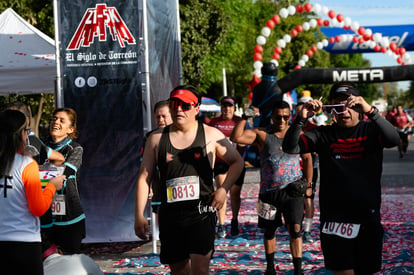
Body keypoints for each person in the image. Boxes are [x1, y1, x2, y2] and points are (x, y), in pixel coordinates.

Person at [282, 83, 400, 274]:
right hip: (335, 220)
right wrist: (300, 119)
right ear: (330, 110)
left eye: (350, 105)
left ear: (359, 107)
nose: (344, 111)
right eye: (337, 107)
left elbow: (394, 140)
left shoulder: (371, 131)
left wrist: (372, 111)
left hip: (367, 218)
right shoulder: (323, 134)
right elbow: (290, 147)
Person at [134, 85, 244, 275]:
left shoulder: (211, 134)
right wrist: (138, 215)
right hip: (170, 215)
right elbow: (144, 177)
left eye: (185, 105)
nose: (178, 109)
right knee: (179, 271)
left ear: (196, 108)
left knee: (200, 270)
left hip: (201, 212)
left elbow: (237, 162)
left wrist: (223, 189)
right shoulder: (156, 139)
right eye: (174, 104)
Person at [231, 101, 309, 275]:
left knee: (295, 228)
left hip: (293, 191)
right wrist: (245, 117)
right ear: (271, 116)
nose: (282, 120)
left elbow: (308, 158)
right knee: (269, 229)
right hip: (268, 192)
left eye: (286, 117)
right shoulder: (262, 134)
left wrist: (308, 185)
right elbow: (236, 138)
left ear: (290, 117)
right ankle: (270, 268)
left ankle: (298, 269)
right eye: (278, 116)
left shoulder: (297, 133)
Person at [0, 110, 64, 275]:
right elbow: (38, 208)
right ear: (22, 134)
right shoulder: (26, 164)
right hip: (25, 243)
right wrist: (51, 186)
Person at [40, 108, 85, 255]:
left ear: (70, 129)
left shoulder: (75, 148)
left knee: (70, 262)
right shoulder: (40, 147)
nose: (56, 122)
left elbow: (65, 173)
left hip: (70, 216)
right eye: (54, 118)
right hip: (45, 214)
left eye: (61, 120)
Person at [208, 96, 247, 237]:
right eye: (224, 106)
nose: (227, 109)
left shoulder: (239, 121)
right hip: (220, 163)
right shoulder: (214, 122)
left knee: (235, 194)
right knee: (221, 190)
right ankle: (222, 224)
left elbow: (246, 139)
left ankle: (235, 220)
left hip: (237, 163)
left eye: (230, 106)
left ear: (234, 108)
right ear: (221, 108)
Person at [4, 101, 65, 165]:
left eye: (14, 118)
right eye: (5, 118)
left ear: (26, 121)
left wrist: (46, 173)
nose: (8, 122)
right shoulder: (5, 140)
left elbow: (59, 158)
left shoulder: (31, 142)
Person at [251, 62, 283, 127]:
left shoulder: (257, 87)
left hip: (259, 119)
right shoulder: (279, 86)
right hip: (275, 119)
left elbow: (254, 105)